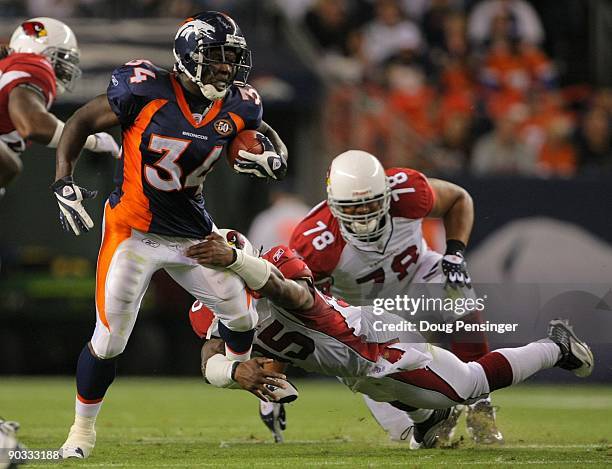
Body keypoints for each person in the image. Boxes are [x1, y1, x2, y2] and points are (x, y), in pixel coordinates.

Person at [53, 11, 288, 459]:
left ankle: (238, 373)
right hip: (133, 230)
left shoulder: (242, 103)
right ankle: (81, 431)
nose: (226, 68)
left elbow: (258, 139)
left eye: (231, 58)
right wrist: (63, 179)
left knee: (243, 320)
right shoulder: (144, 88)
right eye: (217, 58)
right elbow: (80, 121)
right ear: (188, 57)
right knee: (109, 341)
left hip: (192, 234)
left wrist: (266, 157)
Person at [186, 231, 594, 448]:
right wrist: (234, 371)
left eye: (228, 274)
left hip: (374, 341)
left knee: (467, 385)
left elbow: (296, 295)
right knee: (413, 434)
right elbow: (209, 352)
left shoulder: (275, 262)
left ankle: (556, 346)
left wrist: (240, 263)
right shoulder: (209, 309)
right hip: (350, 368)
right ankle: (428, 421)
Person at [288, 149, 501, 443]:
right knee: (407, 433)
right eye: (352, 207)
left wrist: (454, 254)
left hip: (416, 276)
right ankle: (433, 414)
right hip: (365, 313)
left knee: (456, 285)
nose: (364, 213)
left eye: (371, 203)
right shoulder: (316, 243)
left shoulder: (408, 191)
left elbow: (458, 199)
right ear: (333, 204)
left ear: (387, 194)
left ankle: (480, 402)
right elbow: (300, 309)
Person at [0, 18, 119, 196]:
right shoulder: (33, 65)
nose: (67, 67)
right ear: (40, 50)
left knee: (7, 165)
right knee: (9, 165)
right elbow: (33, 126)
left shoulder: (9, 66)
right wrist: (91, 141)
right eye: (63, 57)